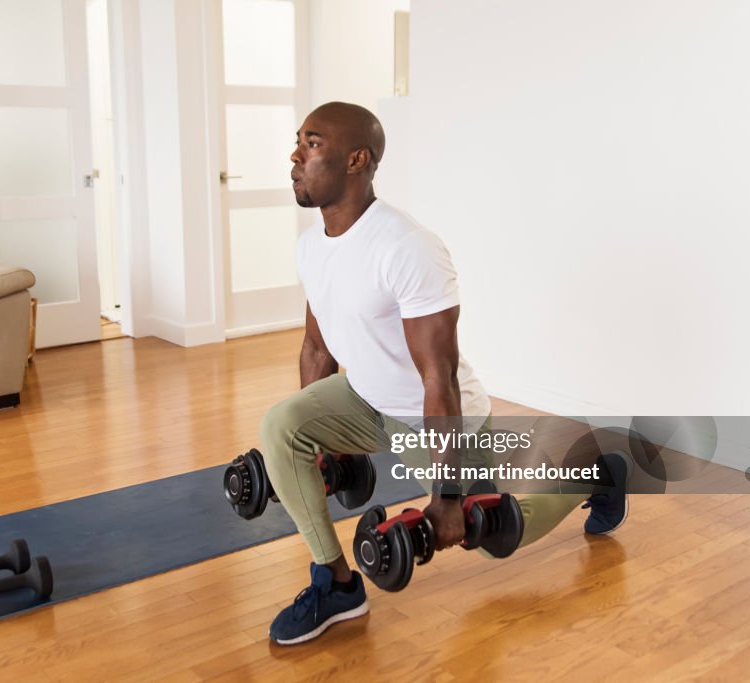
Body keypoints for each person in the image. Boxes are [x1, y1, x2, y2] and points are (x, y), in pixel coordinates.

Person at [261, 102, 631, 646]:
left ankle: (597, 471)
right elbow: (317, 348)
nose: (295, 156)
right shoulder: (311, 247)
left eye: (312, 144)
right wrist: (324, 449)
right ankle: (336, 584)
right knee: (281, 426)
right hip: (365, 397)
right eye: (299, 142)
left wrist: (448, 492)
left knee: (492, 534)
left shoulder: (407, 247)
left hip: (427, 413)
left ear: (356, 160)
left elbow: (439, 377)